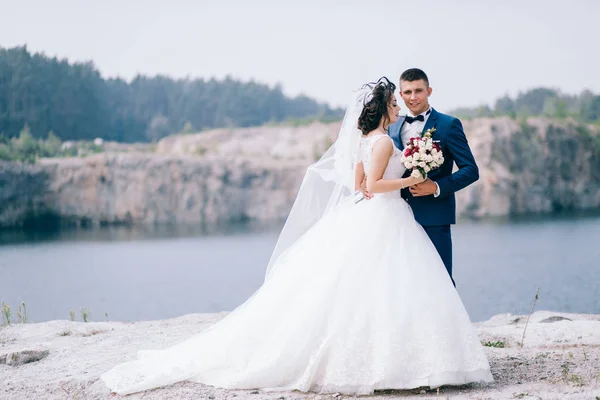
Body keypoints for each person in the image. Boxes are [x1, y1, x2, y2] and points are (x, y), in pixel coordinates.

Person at [101, 77, 493, 396]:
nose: (402, 104)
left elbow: (360, 184)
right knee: (387, 287)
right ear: (388, 106)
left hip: (387, 213)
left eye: (410, 95)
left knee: (373, 288)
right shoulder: (385, 140)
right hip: (388, 215)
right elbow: (372, 182)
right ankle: (408, 360)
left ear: (427, 91)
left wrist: (409, 185)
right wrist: (408, 178)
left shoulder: (377, 139)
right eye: (397, 99)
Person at [386, 68, 480, 286]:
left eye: (418, 90)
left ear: (429, 91)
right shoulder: (391, 125)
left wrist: (436, 187)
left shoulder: (449, 125)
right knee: (401, 281)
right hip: (395, 216)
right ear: (400, 95)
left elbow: (470, 170)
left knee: (440, 282)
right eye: (407, 92)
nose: (413, 97)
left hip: (435, 216)